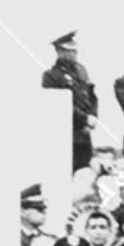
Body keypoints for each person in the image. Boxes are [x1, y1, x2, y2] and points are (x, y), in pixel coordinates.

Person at [43, 31, 100, 172]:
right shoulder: (51, 76)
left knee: (85, 175)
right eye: (71, 51)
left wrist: (93, 117)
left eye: (75, 50)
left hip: (85, 136)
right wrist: (85, 118)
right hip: (68, 135)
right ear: (60, 52)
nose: (75, 53)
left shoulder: (81, 71)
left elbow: (92, 97)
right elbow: (60, 106)